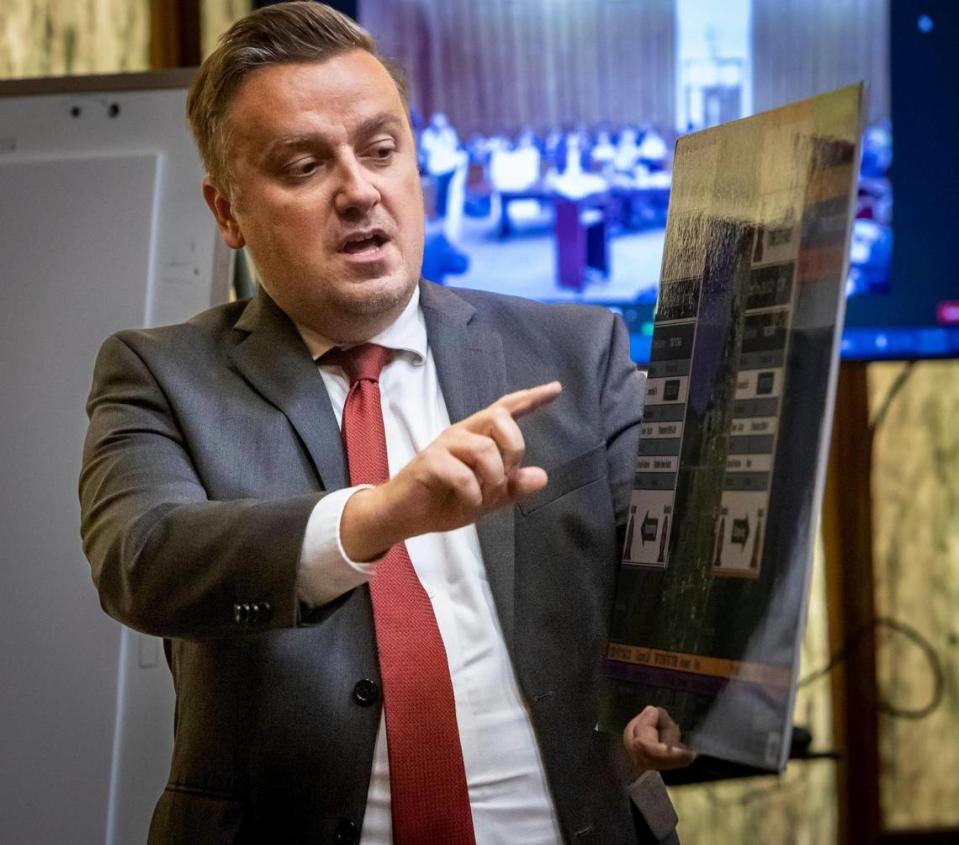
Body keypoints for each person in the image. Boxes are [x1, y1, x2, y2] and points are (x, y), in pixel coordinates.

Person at [79, 4, 694, 843]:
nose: (359, 188)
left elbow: (665, 589)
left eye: (380, 150)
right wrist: (379, 515)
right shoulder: (162, 374)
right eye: (304, 165)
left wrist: (673, 693)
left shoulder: (573, 348)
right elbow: (141, 560)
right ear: (226, 213)